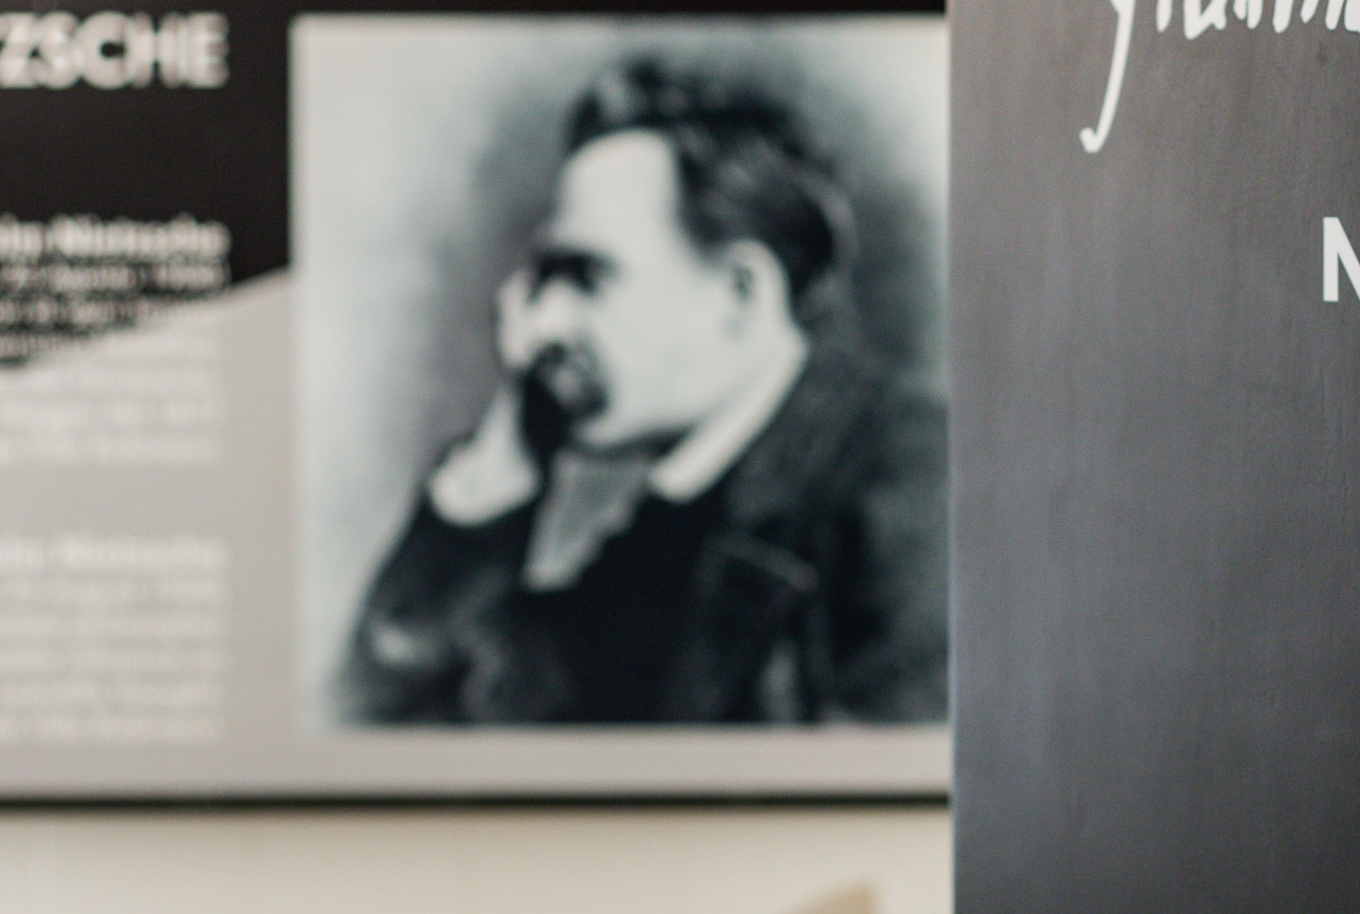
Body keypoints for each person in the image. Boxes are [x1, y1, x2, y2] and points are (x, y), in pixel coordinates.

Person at [341, 56, 946, 726]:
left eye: (588, 275)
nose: (539, 325)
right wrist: (507, 454)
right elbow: (402, 723)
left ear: (740, 293)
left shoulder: (923, 488)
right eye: (546, 282)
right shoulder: (668, 529)